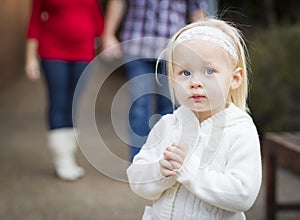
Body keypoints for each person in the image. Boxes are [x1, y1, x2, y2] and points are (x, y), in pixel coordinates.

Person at [127, 17, 262, 219]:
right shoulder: (167, 125)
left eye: (209, 71)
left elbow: (243, 195)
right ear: (172, 80)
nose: (195, 82)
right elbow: (136, 178)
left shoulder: (239, 130)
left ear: (235, 79)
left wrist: (189, 172)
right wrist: (160, 171)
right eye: (185, 72)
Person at [101, 0, 208, 161]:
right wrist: (108, 35)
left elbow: (197, 11)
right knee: (139, 105)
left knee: (170, 106)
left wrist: (201, 45)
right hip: (137, 47)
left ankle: (164, 160)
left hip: (172, 51)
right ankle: (138, 162)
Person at [25, 0, 104, 181]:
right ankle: (62, 157)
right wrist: (30, 58)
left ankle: (69, 154)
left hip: (84, 53)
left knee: (74, 103)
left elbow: (98, 21)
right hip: (53, 51)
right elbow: (34, 21)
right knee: (58, 101)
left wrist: (100, 41)